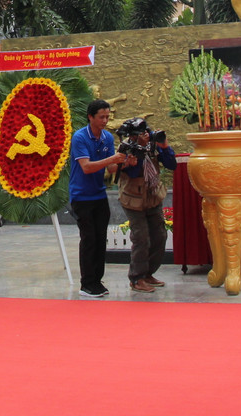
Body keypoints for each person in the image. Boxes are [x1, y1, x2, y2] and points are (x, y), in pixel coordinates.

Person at [69, 98, 127, 298]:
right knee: (89, 238)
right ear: (90, 117)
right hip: (81, 196)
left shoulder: (107, 138)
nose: (104, 121)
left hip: (99, 194)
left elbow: (111, 168)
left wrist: (124, 162)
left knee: (101, 238)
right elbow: (86, 167)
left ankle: (97, 280)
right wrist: (112, 159)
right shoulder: (79, 137)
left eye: (107, 117)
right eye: (101, 117)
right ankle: (87, 283)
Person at [113, 118, 176, 293]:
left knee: (159, 235)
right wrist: (139, 150)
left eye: (146, 132)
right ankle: (136, 278)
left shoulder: (153, 145)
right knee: (141, 238)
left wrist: (164, 147)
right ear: (133, 136)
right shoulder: (125, 148)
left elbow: (172, 165)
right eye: (140, 134)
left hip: (153, 196)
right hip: (133, 198)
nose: (145, 136)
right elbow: (132, 172)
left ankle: (148, 273)